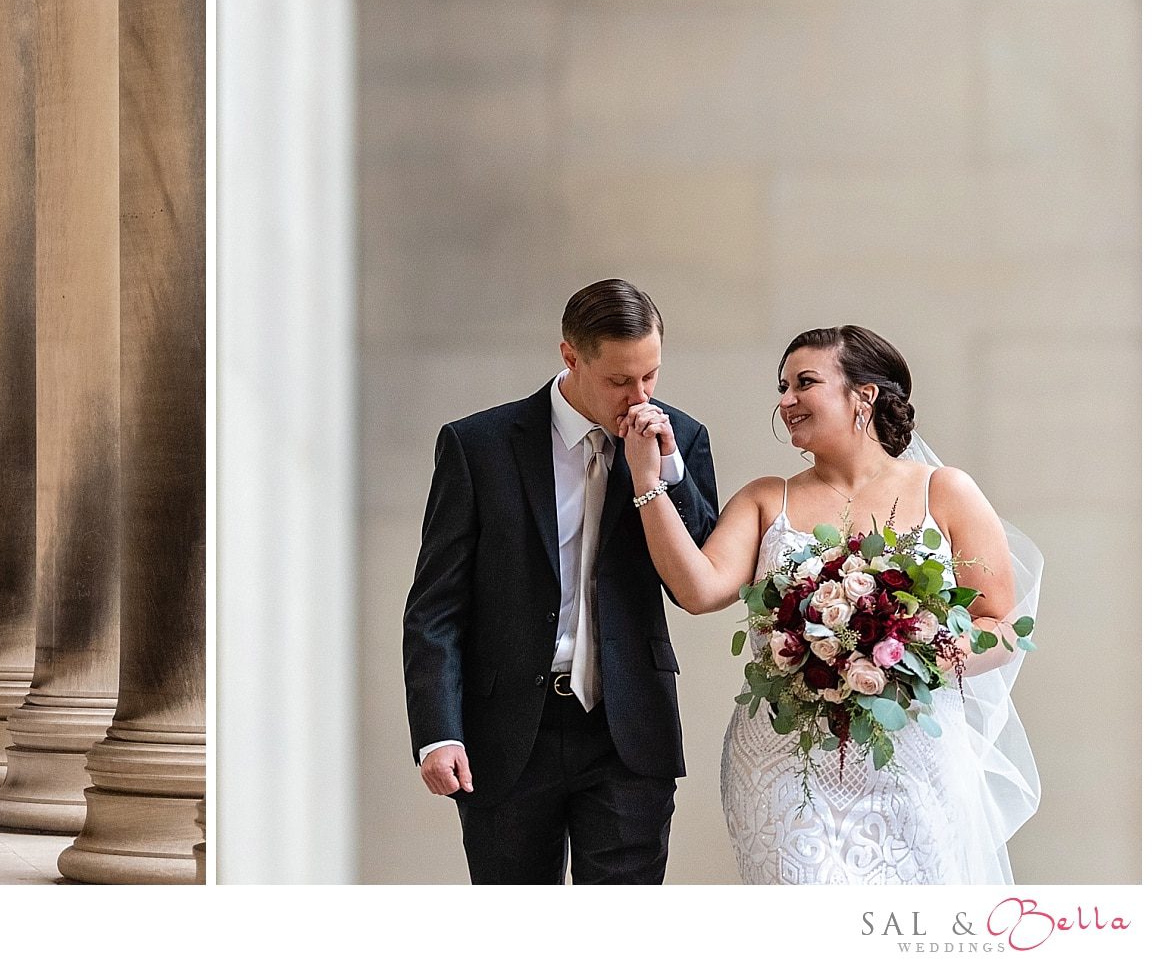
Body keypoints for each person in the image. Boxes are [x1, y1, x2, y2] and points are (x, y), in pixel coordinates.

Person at [621, 323, 1040, 884]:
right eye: (783, 386)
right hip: (783, 763)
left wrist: (914, 654)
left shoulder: (944, 490)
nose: (785, 400)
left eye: (804, 383)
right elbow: (698, 590)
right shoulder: (767, 497)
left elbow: (1002, 627)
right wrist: (647, 481)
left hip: (912, 760)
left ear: (863, 395)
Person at [403, 279, 720, 883]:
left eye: (651, 375)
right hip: (508, 733)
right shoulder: (478, 446)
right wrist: (437, 733)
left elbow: (699, 577)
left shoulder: (683, 439)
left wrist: (666, 471)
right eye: (620, 380)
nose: (639, 396)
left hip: (628, 728)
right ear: (570, 357)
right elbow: (434, 609)